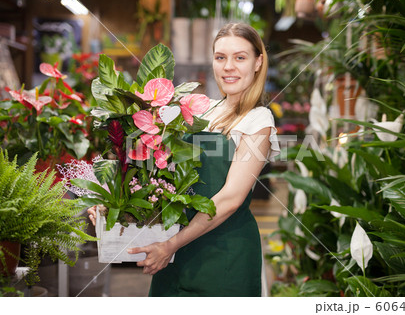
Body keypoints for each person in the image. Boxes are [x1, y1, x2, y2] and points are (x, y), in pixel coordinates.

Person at [88, 22, 280, 297]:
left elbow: (229, 200)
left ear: (258, 62)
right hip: (173, 253)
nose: (228, 67)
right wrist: (111, 205)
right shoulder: (202, 110)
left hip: (223, 256)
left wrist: (172, 245)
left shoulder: (258, 119)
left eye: (240, 57)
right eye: (220, 57)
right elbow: (158, 176)